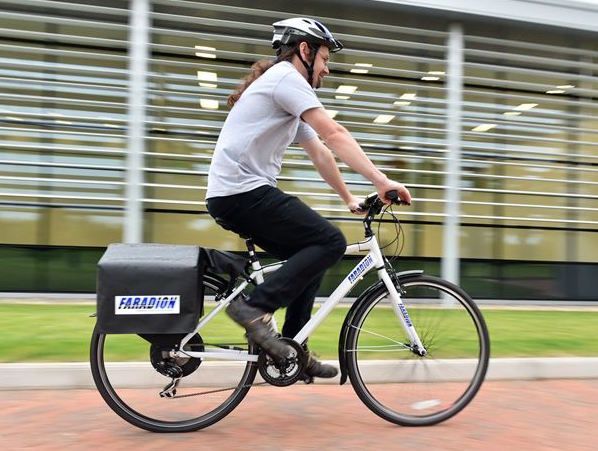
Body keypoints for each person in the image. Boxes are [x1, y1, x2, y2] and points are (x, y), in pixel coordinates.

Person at [206, 18, 411, 379]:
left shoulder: (283, 88)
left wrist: (349, 198)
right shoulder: (287, 79)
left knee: (310, 257)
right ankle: (253, 309)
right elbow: (334, 133)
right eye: (325, 59)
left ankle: (291, 351)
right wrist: (382, 180)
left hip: (236, 194)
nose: (327, 69)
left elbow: (320, 152)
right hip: (242, 192)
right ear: (305, 50)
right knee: (329, 241)